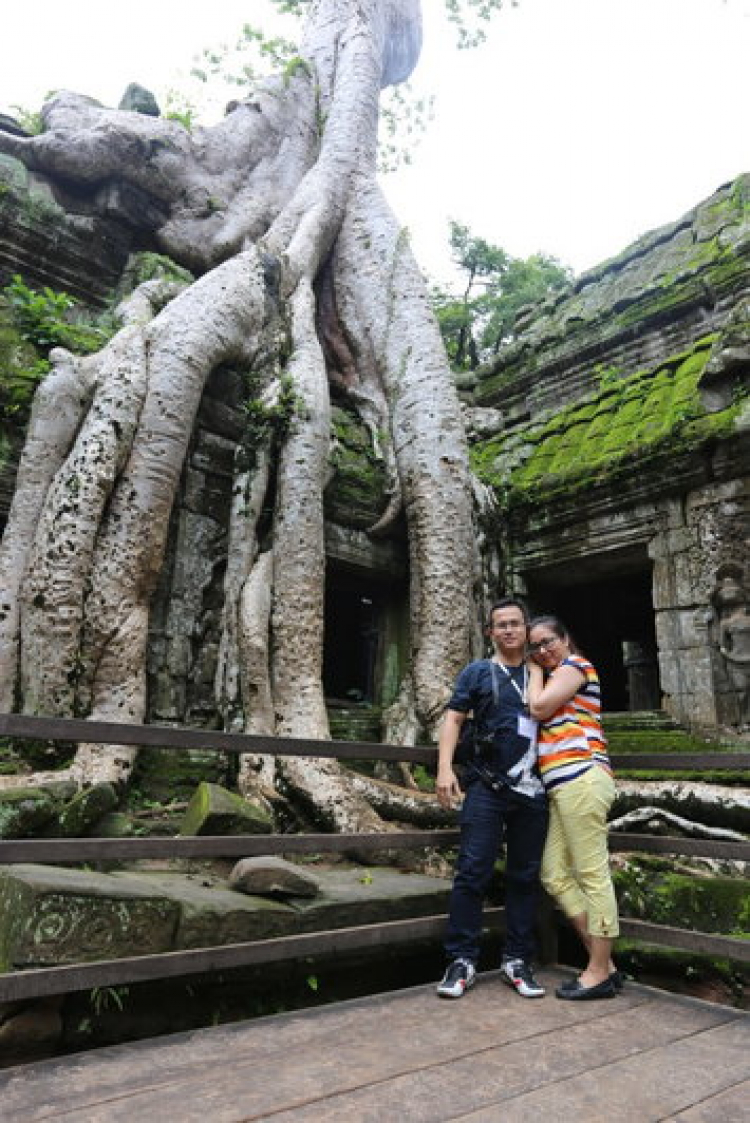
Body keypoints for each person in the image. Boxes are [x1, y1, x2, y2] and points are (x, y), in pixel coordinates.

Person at [436, 597, 548, 1000]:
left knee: (523, 874)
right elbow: (453, 718)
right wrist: (445, 768)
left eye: (515, 623)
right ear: (490, 632)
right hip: (485, 784)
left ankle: (516, 959)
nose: (508, 630)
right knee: (472, 870)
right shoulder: (478, 672)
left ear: (526, 627)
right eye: (500, 625)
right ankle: (461, 959)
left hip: (534, 790)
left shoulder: (545, 672)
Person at [526, 615, 621, 1000]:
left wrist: (532, 670)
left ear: (565, 639)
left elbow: (539, 707)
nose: (543, 651)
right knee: (554, 874)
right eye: (536, 647)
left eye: (548, 642)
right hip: (564, 786)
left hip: (581, 778)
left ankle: (597, 970)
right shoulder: (558, 672)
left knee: (592, 875)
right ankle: (605, 963)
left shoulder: (575, 666)